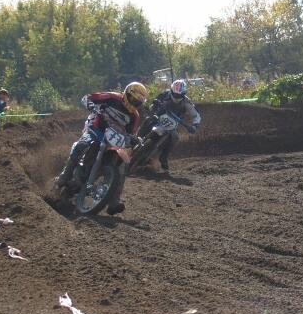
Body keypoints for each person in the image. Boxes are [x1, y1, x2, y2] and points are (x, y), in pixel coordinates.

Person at [55, 82, 148, 214]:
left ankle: (114, 202)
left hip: (113, 138)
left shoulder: (135, 116)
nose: (134, 103)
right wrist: (91, 105)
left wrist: (134, 139)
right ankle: (64, 177)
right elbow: (87, 97)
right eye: (133, 100)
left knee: (122, 165)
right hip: (96, 127)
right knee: (82, 145)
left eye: (138, 102)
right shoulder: (112, 97)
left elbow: (131, 133)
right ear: (127, 94)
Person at [147, 79, 201, 172]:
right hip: (158, 117)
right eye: (175, 94)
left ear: (183, 94)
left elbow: (196, 115)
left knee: (175, 137)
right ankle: (135, 140)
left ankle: (163, 157)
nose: (176, 97)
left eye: (179, 95)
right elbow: (152, 105)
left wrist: (195, 126)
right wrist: (153, 106)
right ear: (171, 91)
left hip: (172, 124)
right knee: (148, 120)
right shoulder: (164, 94)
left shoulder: (186, 101)